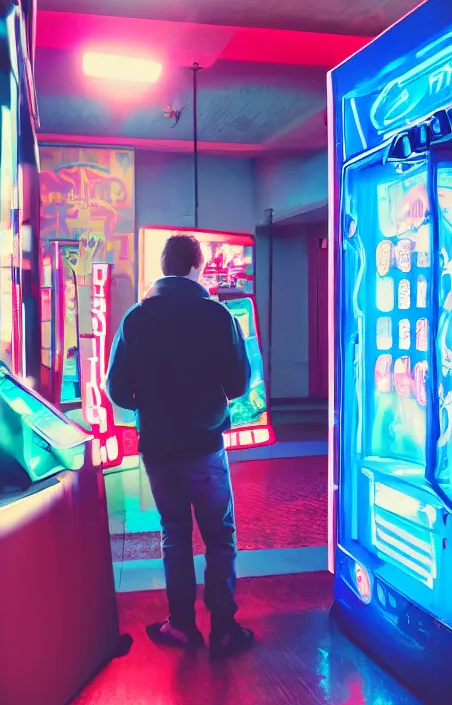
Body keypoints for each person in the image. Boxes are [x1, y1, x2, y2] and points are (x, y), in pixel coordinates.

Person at [106, 234, 255, 659]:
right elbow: (239, 384)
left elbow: (117, 388)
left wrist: (149, 404)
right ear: (197, 267)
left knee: (174, 534)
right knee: (220, 538)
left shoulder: (136, 318)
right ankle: (224, 628)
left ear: (164, 264)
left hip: (158, 449)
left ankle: (182, 626)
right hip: (206, 447)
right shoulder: (218, 316)